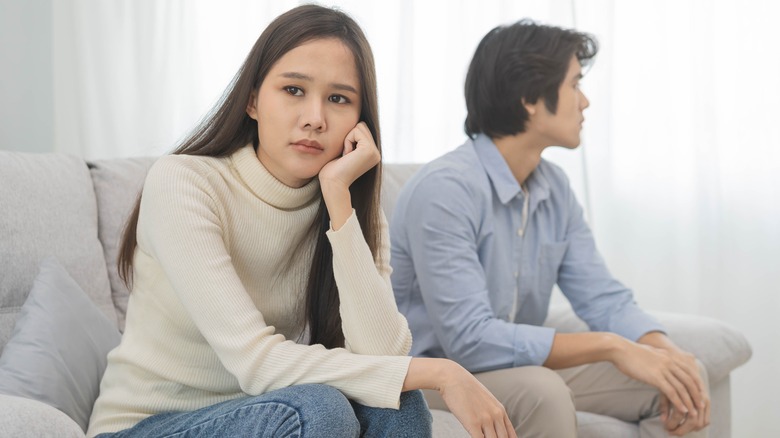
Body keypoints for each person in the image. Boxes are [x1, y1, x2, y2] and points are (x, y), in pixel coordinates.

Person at [87, 5, 515, 438]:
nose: (315, 118)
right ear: (252, 100)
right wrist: (442, 372)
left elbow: (382, 353)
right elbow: (255, 363)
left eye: (338, 99)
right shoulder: (185, 182)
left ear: (359, 121)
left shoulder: (351, 210)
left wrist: (338, 201)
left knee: (399, 405)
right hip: (146, 426)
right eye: (294, 90)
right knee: (319, 408)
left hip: (267, 414)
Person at [390, 19, 710, 438]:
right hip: (435, 376)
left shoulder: (554, 188)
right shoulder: (445, 190)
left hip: (509, 366)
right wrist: (613, 346)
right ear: (529, 99)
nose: (586, 101)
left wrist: (661, 350)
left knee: (685, 374)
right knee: (544, 389)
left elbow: (603, 298)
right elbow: (471, 340)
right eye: (575, 84)